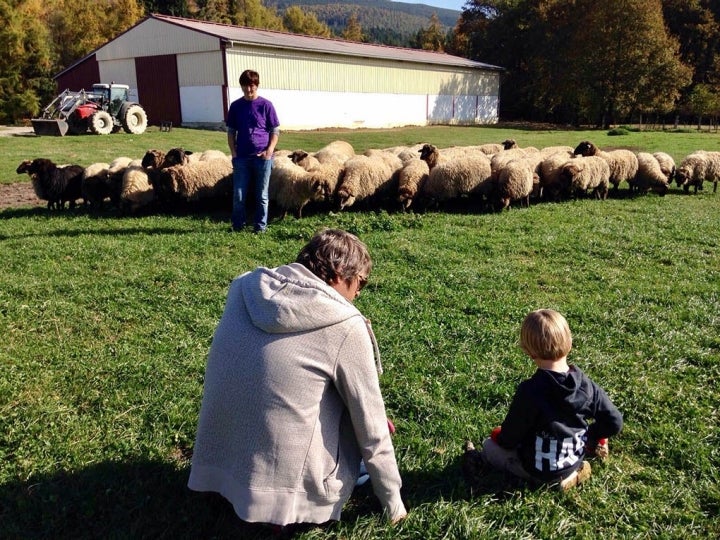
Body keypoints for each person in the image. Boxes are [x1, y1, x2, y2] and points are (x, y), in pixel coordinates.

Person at [188, 229, 407, 527]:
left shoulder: (242, 288)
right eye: (360, 283)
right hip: (283, 501)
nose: (357, 294)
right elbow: (372, 428)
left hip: (217, 469)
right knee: (362, 452)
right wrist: (394, 504)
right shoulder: (346, 324)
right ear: (340, 273)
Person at [463, 309, 623, 491]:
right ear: (569, 342)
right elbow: (614, 421)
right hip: (571, 460)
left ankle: (553, 482)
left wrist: (499, 436)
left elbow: (509, 438)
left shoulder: (530, 390)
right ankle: (576, 469)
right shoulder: (587, 386)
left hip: (536, 470)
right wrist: (591, 435)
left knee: (489, 447)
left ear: (529, 352)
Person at [226, 69, 280, 233]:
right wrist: (234, 153)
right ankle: (237, 226)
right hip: (242, 158)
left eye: (252, 86)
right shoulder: (236, 106)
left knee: (262, 195)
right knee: (239, 195)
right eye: (245, 86)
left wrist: (269, 151)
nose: (249, 90)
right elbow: (231, 132)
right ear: (241, 87)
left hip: (262, 158)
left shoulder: (266, 105)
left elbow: (275, 130)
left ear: (257, 86)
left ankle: (260, 227)